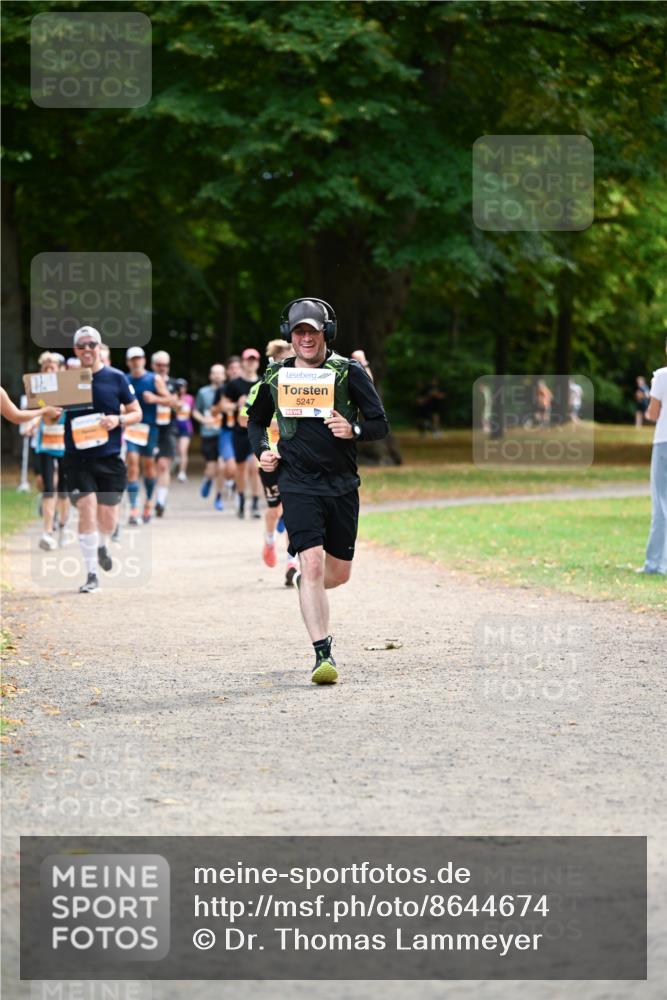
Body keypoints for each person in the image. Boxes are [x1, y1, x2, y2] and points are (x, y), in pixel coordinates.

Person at [247, 298, 389, 684]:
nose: (306, 338)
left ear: (326, 331)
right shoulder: (276, 377)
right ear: (289, 336)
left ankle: (307, 585)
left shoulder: (348, 372)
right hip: (297, 482)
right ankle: (322, 655)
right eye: (299, 332)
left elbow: (380, 423)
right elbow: (256, 422)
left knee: (337, 575)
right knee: (311, 563)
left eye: (312, 331)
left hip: (342, 484)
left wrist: (353, 429)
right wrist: (263, 452)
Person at [60, 327, 142, 593]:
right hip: (76, 457)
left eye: (91, 344)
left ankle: (102, 543)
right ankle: (92, 574)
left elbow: (136, 413)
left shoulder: (116, 378)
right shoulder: (68, 381)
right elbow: (50, 416)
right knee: (86, 507)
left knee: (107, 520)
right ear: (75, 350)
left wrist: (117, 419)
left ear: (99, 347)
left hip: (108, 458)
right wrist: (46, 411)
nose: (87, 349)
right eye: (81, 345)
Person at [240, 338, 299, 583]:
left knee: (294, 510)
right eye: (282, 358)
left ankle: (292, 562)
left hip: (294, 456)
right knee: (275, 510)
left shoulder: (300, 383)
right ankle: (268, 539)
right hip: (269, 458)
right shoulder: (260, 387)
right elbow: (246, 420)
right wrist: (274, 424)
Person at [124, 347, 171, 525]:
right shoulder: (124, 380)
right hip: (131, 428)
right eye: (133, 359)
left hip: (150, 429)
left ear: (144, 360)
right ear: (129, 362)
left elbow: (170, 400)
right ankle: (134, 508)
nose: (136, 362)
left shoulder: (154, 379)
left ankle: (149, 503)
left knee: (149, 467)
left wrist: (155, 399)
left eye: (139, 358)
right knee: (133, 465)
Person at [216, 348, 262, 519]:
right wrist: (237, 405)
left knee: (255, 468)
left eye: (254, 360)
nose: (251, 363)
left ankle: (256, 503)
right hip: (239, 431)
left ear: (258, 362)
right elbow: (223, 406)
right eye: (248, 360)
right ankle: (242, 500)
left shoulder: (263, 383)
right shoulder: (234, 385)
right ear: (243, 362)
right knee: (240, 469)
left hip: (257, 431)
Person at [31, 352, 70, 550]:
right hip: (45, 445)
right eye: (45, 366)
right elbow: (42, 413)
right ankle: (47, 531)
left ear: (60, 369)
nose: (49, 369)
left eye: (52, 366)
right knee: (48, 487)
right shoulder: (38, 393)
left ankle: (63, 526)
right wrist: (35, 420)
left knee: (63, 490)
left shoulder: (69, 389)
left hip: (65, 446)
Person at [639, 344, 667, 575]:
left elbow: (653, 413)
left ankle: (655, 564)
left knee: (660, 503)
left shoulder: (662, 376)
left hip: (664, 443)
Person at [150, 350, 180, 517]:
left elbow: (176, 404)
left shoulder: (174, 384)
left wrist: (156, 399)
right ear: (153, 365)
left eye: (165, 365)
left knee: (163, 465)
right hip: (149, 427)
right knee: (150, 466)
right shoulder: (147, 381)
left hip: (168, 427)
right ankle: (150, 498)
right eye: (159, 365)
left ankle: (160, 501)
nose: (162, 368)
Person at [193, 363, 226, 508]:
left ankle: (218, 497)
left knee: (222, 466)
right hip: (208, 433)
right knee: (212, 468)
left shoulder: (229, 392)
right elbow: (195, 411)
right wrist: (203, 420)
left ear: (224, 376)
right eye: (214, 373)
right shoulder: (203, 392)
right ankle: (207, 479)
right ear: (210, 375)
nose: (217, 375)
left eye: (220, 373)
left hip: (224, 434)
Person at [175, 379, 194, 481]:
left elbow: (191, 412)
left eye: (183, 387)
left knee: (183, 450)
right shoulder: (171, 397)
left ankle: (182, 472)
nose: (181, 389)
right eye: (179, 387)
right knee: (175, 450)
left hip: (185, 427)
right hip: (173, 427)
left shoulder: (190, 398)